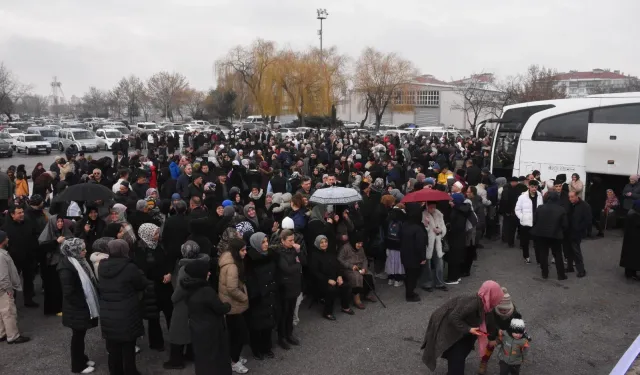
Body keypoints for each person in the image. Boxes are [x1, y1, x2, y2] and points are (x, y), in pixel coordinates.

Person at [421, 280, 505, 374]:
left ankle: (454, 363)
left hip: (461, 325)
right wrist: (468, 329)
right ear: (492, 295)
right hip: (447, 324)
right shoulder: (473, 303)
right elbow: (453, 316)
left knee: (464, 346)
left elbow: (489, 320)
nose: (498, 301)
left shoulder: (485, 303)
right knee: (456, 352)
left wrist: (497, 332)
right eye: (497, 296)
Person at [98, 239, 149, 375]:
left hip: (108, 311)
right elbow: (141, 284)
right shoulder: (129, 267)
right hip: (127, 311)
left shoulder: (102, 266)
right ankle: (130, 371)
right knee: (128, 346)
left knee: (113, 347)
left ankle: (115, 371)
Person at [164, 241, 209, 370]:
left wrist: (173, 298)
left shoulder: (185, 269)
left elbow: (180, 290)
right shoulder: (203, 263)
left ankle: (176, 361)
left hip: (183, 305)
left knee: (177, 332)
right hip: (196, 302)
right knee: (191, 330)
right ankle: (191, 354)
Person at [182, 260, 232, 375]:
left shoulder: (188, 288)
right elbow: (220, 308)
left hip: (197, 329)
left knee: (202, 359)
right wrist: (228, 305)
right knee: (217, 360)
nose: (209, 273)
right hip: (212, 331)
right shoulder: (206, 291)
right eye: (206, 272)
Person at [57, 238, 100, 374]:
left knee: (80, 335)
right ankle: (77, 366)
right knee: (77, 336)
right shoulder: (67, 268)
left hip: (79, 306)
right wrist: (82, 304)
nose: (85, 251)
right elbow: (69, 292)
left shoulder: (77, 262)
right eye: (82, 249)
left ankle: (82, 358)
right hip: (77, 307)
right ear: (74, 251)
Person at [134, 223, 173, 350]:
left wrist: (169, 273)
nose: (158, 235)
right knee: (153, 317)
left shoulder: (160, 245)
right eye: (155, 233)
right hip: (152, 287)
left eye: (157, 232)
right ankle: (156, 343)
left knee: (170, 312)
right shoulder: (141, 250)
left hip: (165, 285)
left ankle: (174, 339)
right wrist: (161, 276)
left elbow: (167, 261)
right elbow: (144, 270)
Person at [218, 238, 250, 374]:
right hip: (233, 305)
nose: (245, 253)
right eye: (242, 250)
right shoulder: (232, 266)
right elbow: (232, 288)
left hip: (230, 304)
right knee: (239, 335)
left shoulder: (230, 260)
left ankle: (234, 357)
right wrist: (245, 297)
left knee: (235, 334)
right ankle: (234, 361)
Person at [245, 232, 278, 360]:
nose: (266, 245)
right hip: (258, 297)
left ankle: (267, 347)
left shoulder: (270, 256)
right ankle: (257, 349)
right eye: (263, 242)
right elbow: (250, 280)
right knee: (257, 325)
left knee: (268, 324)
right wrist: (256, 294)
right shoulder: (250, 260)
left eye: (266, 241)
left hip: (270, 293)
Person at [478, 287, 522, 375]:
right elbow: (491, 326)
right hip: (496, 333)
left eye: (505, 309)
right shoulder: (493, 312)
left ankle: (512, 364)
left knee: (512, 350)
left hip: (509, 335)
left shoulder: (515, 314)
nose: (503, 311)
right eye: (500, 309)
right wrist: (492, 338)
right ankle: (484, 362)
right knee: (489, 347)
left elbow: (518, 327)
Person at [2, 205, 40, 308]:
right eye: (19, 213)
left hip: (28, 257)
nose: (22, 214)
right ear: (12, 215)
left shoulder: (28, 223)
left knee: (29, 279)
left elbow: (35, 235)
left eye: (22, 212)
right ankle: (11, 301)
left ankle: (28, 299)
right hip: (14, 259)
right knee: (13, 281)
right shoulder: (6, 228)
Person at [310, 235, 354, 321]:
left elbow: (338, 266)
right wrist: (327, 280)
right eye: (321, 242)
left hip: (334, 278)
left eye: (325, 242)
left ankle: (345, 307)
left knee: (345, 285)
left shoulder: (330, 252)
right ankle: (327, 312)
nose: (324, 244)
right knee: (331, 290)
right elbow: (315, 272)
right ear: (317, 243)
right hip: (321, 281)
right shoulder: (314, 255)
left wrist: (339, 276)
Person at [274, 229, 305, 350]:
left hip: (295, 285)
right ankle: (281, 337)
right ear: (282, 240)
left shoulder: (294, 249)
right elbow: (286, 268)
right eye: (290, 240)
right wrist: (297, 265)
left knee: (291, 312)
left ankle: (289, 334)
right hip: (285, 287)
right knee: (284, 313)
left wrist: (298, 251)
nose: (293, 242)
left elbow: (304, 262)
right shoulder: (279, 252)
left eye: (293, 240)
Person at [38, 214, 73, 315]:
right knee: (54, 287)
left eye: (62, 221)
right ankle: (54, 308)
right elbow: (42, 248)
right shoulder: (47, 233)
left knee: (63, 286)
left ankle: (63, 307)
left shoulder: (65, 231)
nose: (60, 223)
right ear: (53, 223)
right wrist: (56, 242)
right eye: (58, 222)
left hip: (64, 262)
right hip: (51, 265)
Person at [0, 230, 30, 344]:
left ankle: (2, 333)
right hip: (4, 289)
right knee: (9, 312)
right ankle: (13, 336)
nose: (8, 239)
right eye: (6, 238)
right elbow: (3, 276)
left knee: (1, 312)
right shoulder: (1, 256)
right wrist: (9, 290)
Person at [530, 191, 568, 280]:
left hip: (541, 234)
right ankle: (561, 275)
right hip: (556, 235)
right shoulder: (561, 209)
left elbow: (534, 221)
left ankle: (544, 273)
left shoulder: (540, 208)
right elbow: (565, 225)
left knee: (543, 254)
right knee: (558, 254)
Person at [338, 232, 376, 308]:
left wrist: (364, 268)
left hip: (360, 267)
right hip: (349, 269)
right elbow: (340, 259)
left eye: (361, 243)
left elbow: (364, 259)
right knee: (356, 277)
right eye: (358, 243)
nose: (360, 245)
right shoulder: (345, 248)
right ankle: (356, 299)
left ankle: (367, 294)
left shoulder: (361, 248)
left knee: (369, 275)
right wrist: (351, 266)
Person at [399, 203, 427, 301]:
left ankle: (409, 292)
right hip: (415, 256)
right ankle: (410, 294)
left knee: (408, 274)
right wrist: (423, 257)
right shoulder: (418, 228)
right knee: (413, 276)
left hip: (405, 254)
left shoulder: (405, 224)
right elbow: (420, 244)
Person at [421, 202, 448, 292]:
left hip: (438, 242)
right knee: (427, 264)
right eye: (431, 207)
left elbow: (443, 227)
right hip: (428, 243)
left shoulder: (439, 214)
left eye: (434, 207)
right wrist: (426, 225)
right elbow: (422, 230)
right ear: (427, 206)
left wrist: (440, 231)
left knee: (439, 263)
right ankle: (427, 283)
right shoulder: (423, 214)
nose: (433, 208)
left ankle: (439, 282)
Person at [515, 180, 543, 264]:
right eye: (532, 187)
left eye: (535, 187)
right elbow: (517, 209)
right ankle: (526, 256)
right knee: (525, 241)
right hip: (525, 222)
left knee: (537, 242)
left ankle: (539, 259)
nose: (534, 189)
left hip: (536, 222)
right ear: (529, 186)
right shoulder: (523, 196)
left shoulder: (539, 195)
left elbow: (541, 208)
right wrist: (522, 217)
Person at [567, 191, 591, 278]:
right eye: (569, 197)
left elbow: (588, 221)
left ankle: (581, 270)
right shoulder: (570, 204)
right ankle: (570, 267)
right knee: (569, 250)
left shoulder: (585, 206)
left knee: (576, 251)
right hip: (569, 231)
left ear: (577, 196)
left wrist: (578, 228)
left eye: (572, 197)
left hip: (577, 233)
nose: (570, 199)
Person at [620, 200, 640, 280]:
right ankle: (631, 273)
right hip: (634, 240)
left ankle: (630, 273)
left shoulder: (631, 212)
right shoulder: (635, 215)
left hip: (630, 240)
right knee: (633, 257)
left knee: (630, 257)